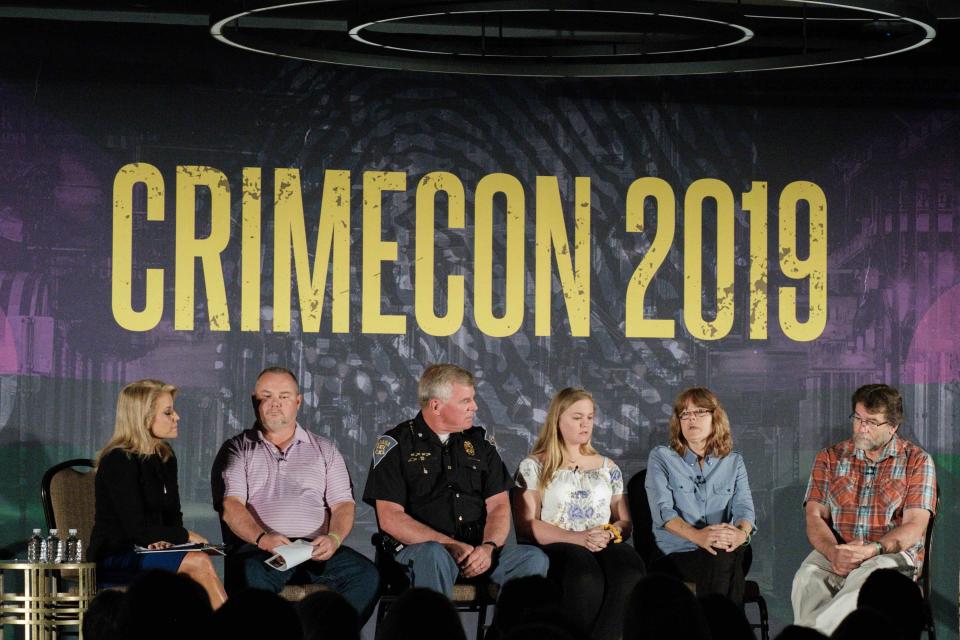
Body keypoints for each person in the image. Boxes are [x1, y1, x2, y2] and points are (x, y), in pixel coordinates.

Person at [362, 363, 549, 598]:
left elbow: (499, 505)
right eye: (465, 401)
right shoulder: (396, 443)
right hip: (420, 553)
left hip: (477, 553)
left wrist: (489, 547)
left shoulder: (480, 443)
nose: (475, 406)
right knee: (434, 554)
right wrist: (448, 544)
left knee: (532, 559)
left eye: (473, 399)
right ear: (436, 405)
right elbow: (390, 518)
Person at [217, 367, 379, 623]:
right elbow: (232, 506)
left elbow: (343, 505)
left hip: (316, 549)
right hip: (264, 551)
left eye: (283, 396)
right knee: (250, 575)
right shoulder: (237, 449)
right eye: (266, 396)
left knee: (366, 575)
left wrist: (334, 538)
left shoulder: (325, 449)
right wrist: (263, 539)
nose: (275, 404)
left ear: (298, 401)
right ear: (254, 400)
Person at [790, 384, 937, 635]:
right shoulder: (830, 457)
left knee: (866, 580)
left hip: (890, 555)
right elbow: (814, 517)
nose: (862, 427)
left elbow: (914, 526)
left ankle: (810, 637)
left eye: (871, 422)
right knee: (807, 578)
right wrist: (832, 551)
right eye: (857, 418)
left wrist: (872, 549)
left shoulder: (917, 460)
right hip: (839, 548)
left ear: (893, 426)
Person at [513, 387, 645, 640]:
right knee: (584, 577)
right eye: (577, 417)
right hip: (560, 542)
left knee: (630, 571)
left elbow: (624, 520)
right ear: (558, 419)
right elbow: (527, 526)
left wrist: (611, 532)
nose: (585, 424)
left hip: (602, 540)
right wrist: (579, 538)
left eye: (590, 417)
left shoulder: (608, 467)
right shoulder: (534, 465)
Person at [89, 379, 227, 609]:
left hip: (152, 550)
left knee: (197, 566)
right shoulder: (118, 460)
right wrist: (184, 535)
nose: (177, 417)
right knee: (198, 562)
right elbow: (136, 529)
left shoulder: (165, 456)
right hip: (117, 556)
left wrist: (167, 540)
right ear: (143, 418)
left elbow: (173, 516)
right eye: (168, 412)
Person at [644, 387, 756, 605]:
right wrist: (699, 537)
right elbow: (663, 512)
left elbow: (744, 508)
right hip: (677, 553)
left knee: (732, 549)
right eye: (684, 413)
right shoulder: (661, 457)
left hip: (724, 548)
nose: (691, 418)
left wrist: (741, 534)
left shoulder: (733, 462)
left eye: (700, 411)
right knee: (726, 558)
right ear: (679, 422)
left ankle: (709, 627)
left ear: (716, 418)